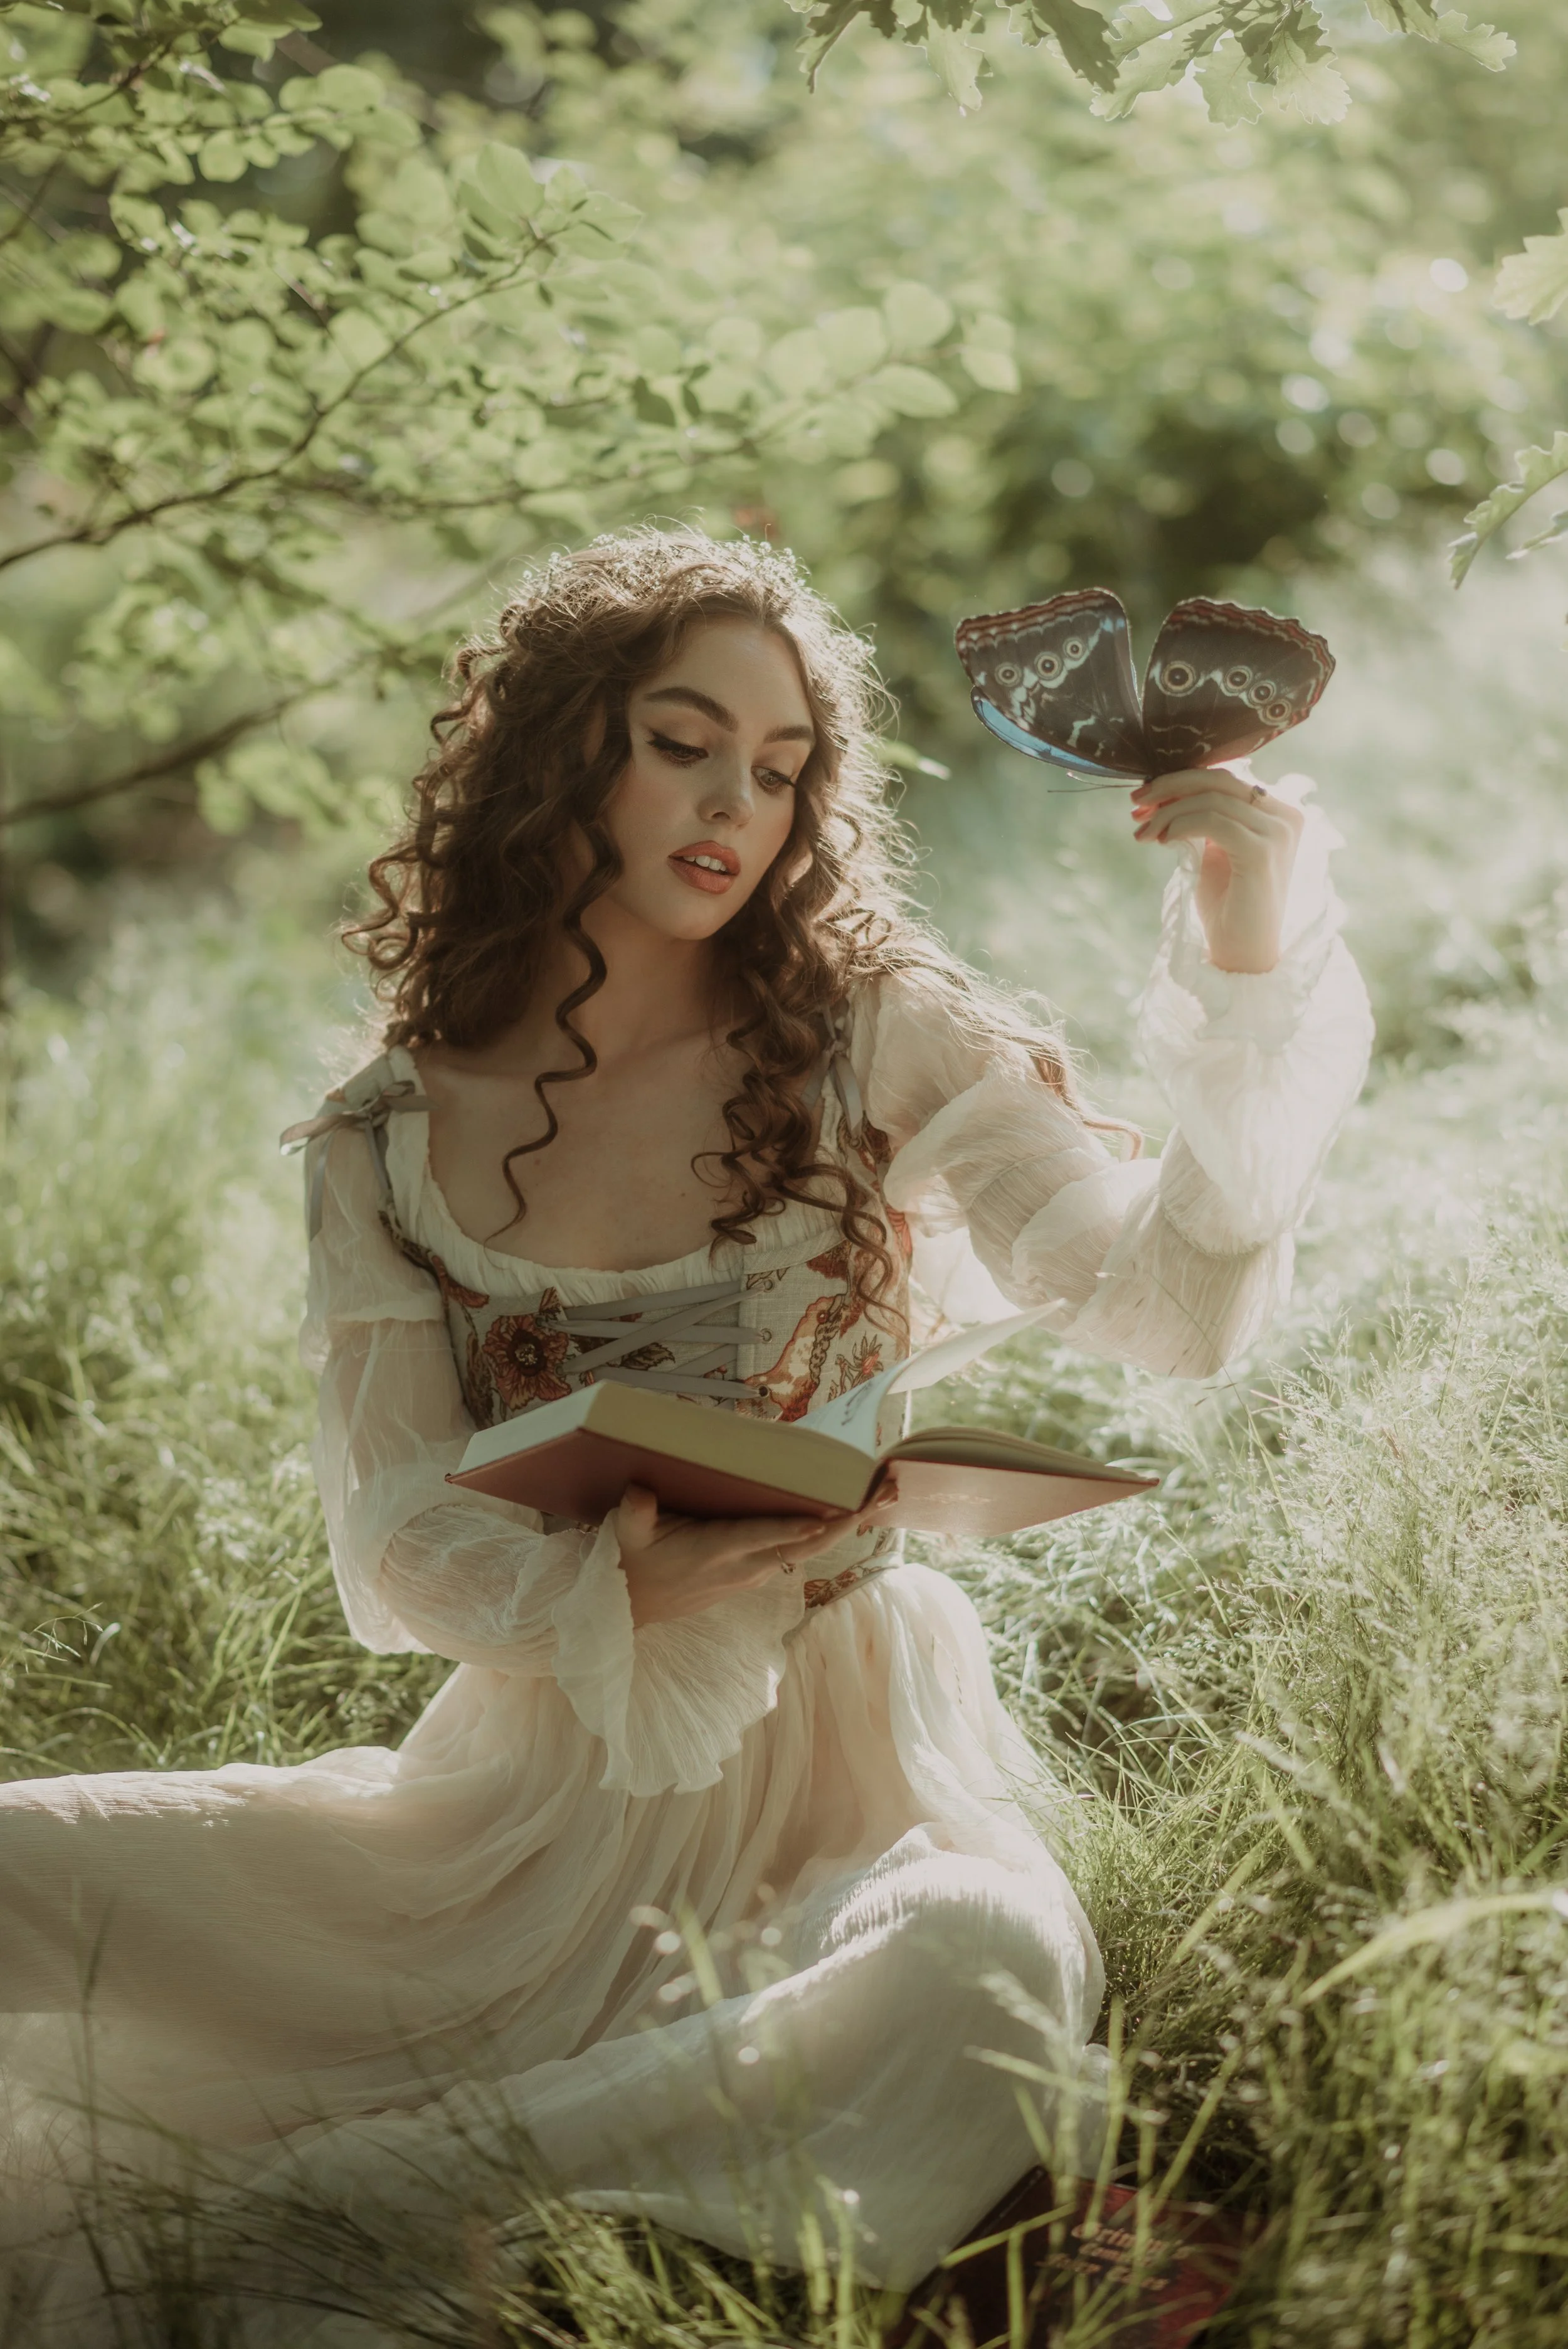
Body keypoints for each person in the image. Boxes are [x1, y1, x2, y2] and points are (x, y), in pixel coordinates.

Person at [0, 527, 1372, 2338]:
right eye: (682, 742)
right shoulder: (381, 1137)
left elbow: (1169, 1314)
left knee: (969, 1959)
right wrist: (614, 1580)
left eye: (785, 766)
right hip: (530, 1797)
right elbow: (392, 1539)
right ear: (560, 747)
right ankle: (479, 2187)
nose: (739, 802)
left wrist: (1244, 959)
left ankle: (432, 2204)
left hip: (849, 1771)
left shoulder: (876, 1031)